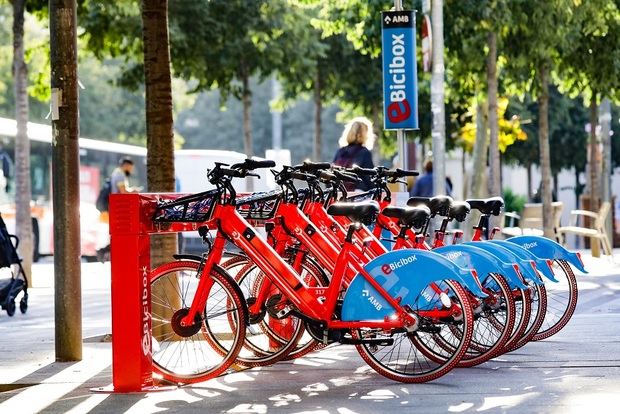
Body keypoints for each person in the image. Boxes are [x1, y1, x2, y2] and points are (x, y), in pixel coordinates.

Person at [332, 116, 375, 191]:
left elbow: (332, 173)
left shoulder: (340, 151)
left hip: (340, 191)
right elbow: (369, 178)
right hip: (358, 193)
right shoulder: (364, 152)